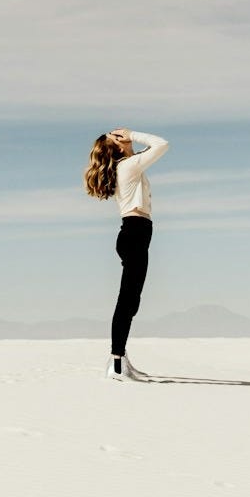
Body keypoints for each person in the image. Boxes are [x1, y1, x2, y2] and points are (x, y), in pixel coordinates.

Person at [83, 127, 170, 382]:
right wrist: (133, 133)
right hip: (135, 233)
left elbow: (151, 150)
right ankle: (117, 364)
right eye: (117, 137)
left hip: (135, 234)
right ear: (118, 146)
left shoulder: (129, 165)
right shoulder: (128, 166)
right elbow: (162, 144)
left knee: (131, 301)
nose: (122, 136)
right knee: (127, 301)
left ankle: (121, 360)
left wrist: (129, 142)